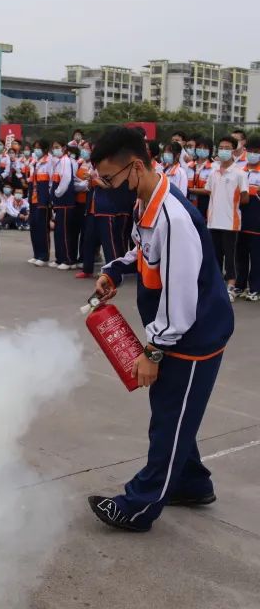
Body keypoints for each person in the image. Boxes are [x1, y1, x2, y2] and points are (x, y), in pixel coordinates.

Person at [87, 126, 234, 533]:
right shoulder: (146, 203)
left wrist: (153, 351)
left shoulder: (173, 217)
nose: (107, 186)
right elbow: (144, 252)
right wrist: (116, 269)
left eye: (111, 179)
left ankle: (139, 506)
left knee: (168, 420)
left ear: (135, 167)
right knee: (173, 410)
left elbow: (181, 297)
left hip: (193, 335)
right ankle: (193, 483)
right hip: (177, 330)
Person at [196, 136, 249, 301]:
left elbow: (245, 198)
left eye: (227, 147)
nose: (223, 150)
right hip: (213, 221)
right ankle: (217, 287)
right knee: (216, 255)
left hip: (231, 222)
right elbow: (209, 191)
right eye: (221, 147)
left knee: (230, 256)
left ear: (233, 150)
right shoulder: (213, 171)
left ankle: (231, 287)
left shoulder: (240, 173)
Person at [236, 138, 260, 302]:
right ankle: (240, 285)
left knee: (256, 256)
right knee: (240, 254)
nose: (252, 154)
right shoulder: (240, 170)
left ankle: (256, 288)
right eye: (250, 151)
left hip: (256, 220)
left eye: (256, 152)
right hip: (239, 219)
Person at [50, 140, 76, 270]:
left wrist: (57, 193)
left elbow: (65, 180)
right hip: (59, 203)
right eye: (54, 148)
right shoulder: (59, 162)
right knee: (59, 232)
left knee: (65, 232)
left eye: (57, 147)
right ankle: (59, 257)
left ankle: (68, 259)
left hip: (65, 202)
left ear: (64, 148)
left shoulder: (66, 161)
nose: (55, 150)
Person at [28, 139, 53, 266]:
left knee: (42, 228)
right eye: (34, 148)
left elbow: (51, 183)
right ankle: (36, 254)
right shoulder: (34, 162)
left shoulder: (49, 162)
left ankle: (44, 256)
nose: (35, 150)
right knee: (34, 226)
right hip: (33, 198)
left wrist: (49, 199)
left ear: (44, 149)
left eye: (38, 148)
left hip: (43, 199)